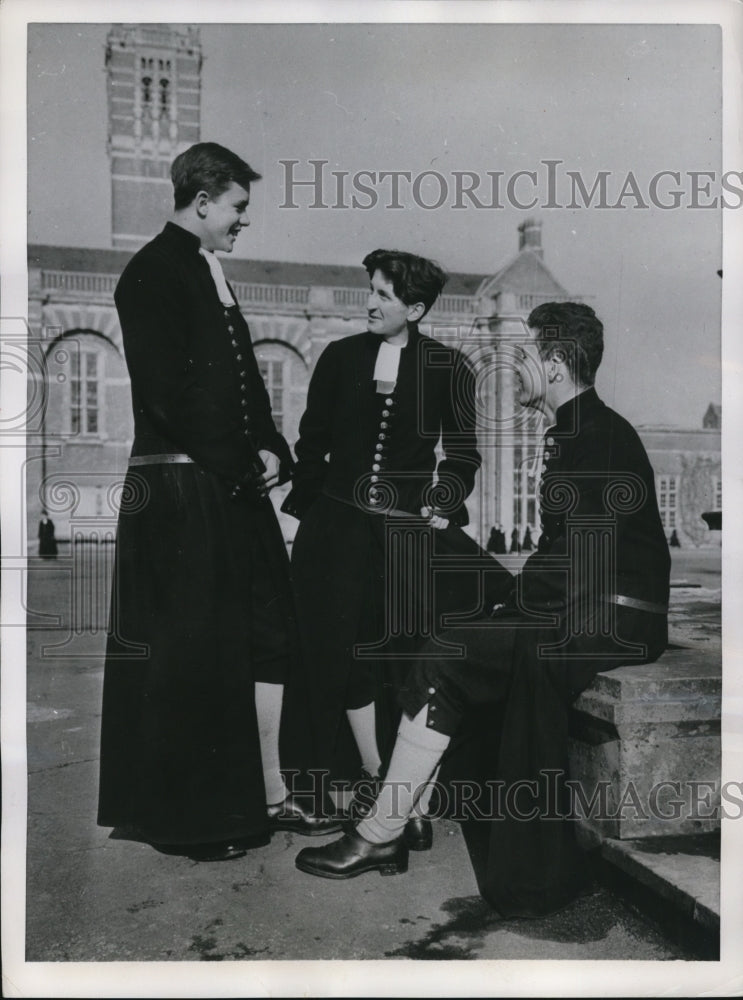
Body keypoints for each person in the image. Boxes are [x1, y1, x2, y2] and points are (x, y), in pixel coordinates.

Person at [295, 301, 671, 918]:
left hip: (611, 620)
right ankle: (402, 814)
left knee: (450, 650)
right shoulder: (579, 428)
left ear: (553, 364)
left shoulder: (598, 433)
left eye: (523, 355)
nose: (512, 366)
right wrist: (507, 600)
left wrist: (510, 604)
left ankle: (384, 829)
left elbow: (584, 561)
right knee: (435, 623)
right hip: (585, 607)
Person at [97, 142, 340, 861]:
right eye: (237, 208)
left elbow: (243, 383)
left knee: (267, 634)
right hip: (180, 488)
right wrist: (241, 461)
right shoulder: (150, 272)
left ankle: (267, 790)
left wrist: (272, 446)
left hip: (225, 485)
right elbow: (169, 394)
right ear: (201, 202)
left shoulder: (209, 270)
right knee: (196, 655)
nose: (242, 222)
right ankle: (195, 820)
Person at [282, 249, 510, 852]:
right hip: (335, 533)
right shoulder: (337, 357)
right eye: (371, 291)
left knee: (405, 659)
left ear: (415, 308)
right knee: (344, 659)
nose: (370, 303)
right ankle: (372, 781)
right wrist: (312, 511)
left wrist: (442, 498)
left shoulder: (449, 368)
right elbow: (311, 443)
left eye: (384, 296)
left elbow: (462, 455)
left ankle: (406, 797)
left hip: (406, 534)